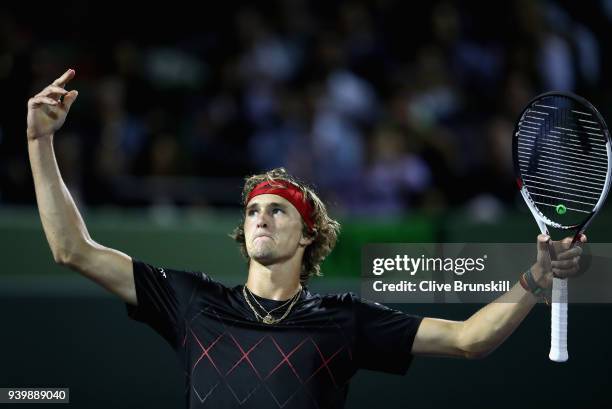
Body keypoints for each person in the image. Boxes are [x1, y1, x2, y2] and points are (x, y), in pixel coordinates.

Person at [27, 69, 585, 409]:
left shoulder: (345, 319)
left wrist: (536, 278)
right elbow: (71, 250)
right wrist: (39, 142)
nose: (261, 218)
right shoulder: (191, 301)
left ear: (307, 232)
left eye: (277, 210)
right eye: (251, 212)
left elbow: (470, 339)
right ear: (243, 233)